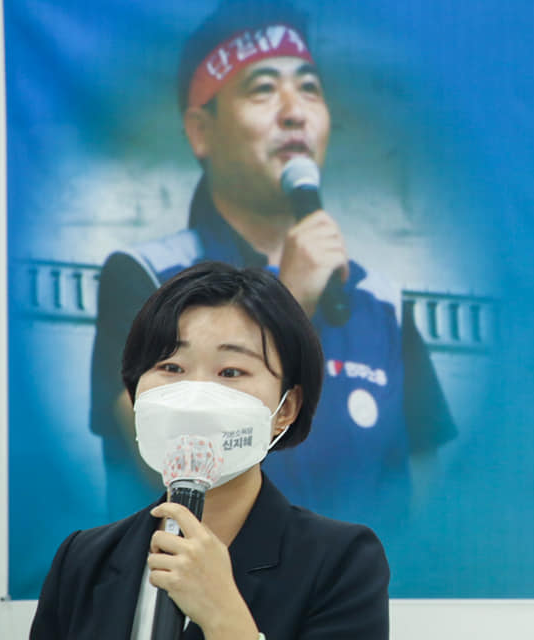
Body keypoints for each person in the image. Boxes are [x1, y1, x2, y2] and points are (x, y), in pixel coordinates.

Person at [89, 0, 456, 523]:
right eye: (263, 89)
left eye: (309, 88)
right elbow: (153, 455)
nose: (294, 112)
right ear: (201, 131)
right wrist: (289, 304)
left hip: (347, 575)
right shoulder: (145, 276)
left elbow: (424, 490)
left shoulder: (384, 303)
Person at [32, 262, 390, 639]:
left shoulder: (341, 561)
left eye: (231, 372)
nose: (194, 397)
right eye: (171, 366)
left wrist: (223, 615)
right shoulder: (83, 560)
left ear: (286, 408)